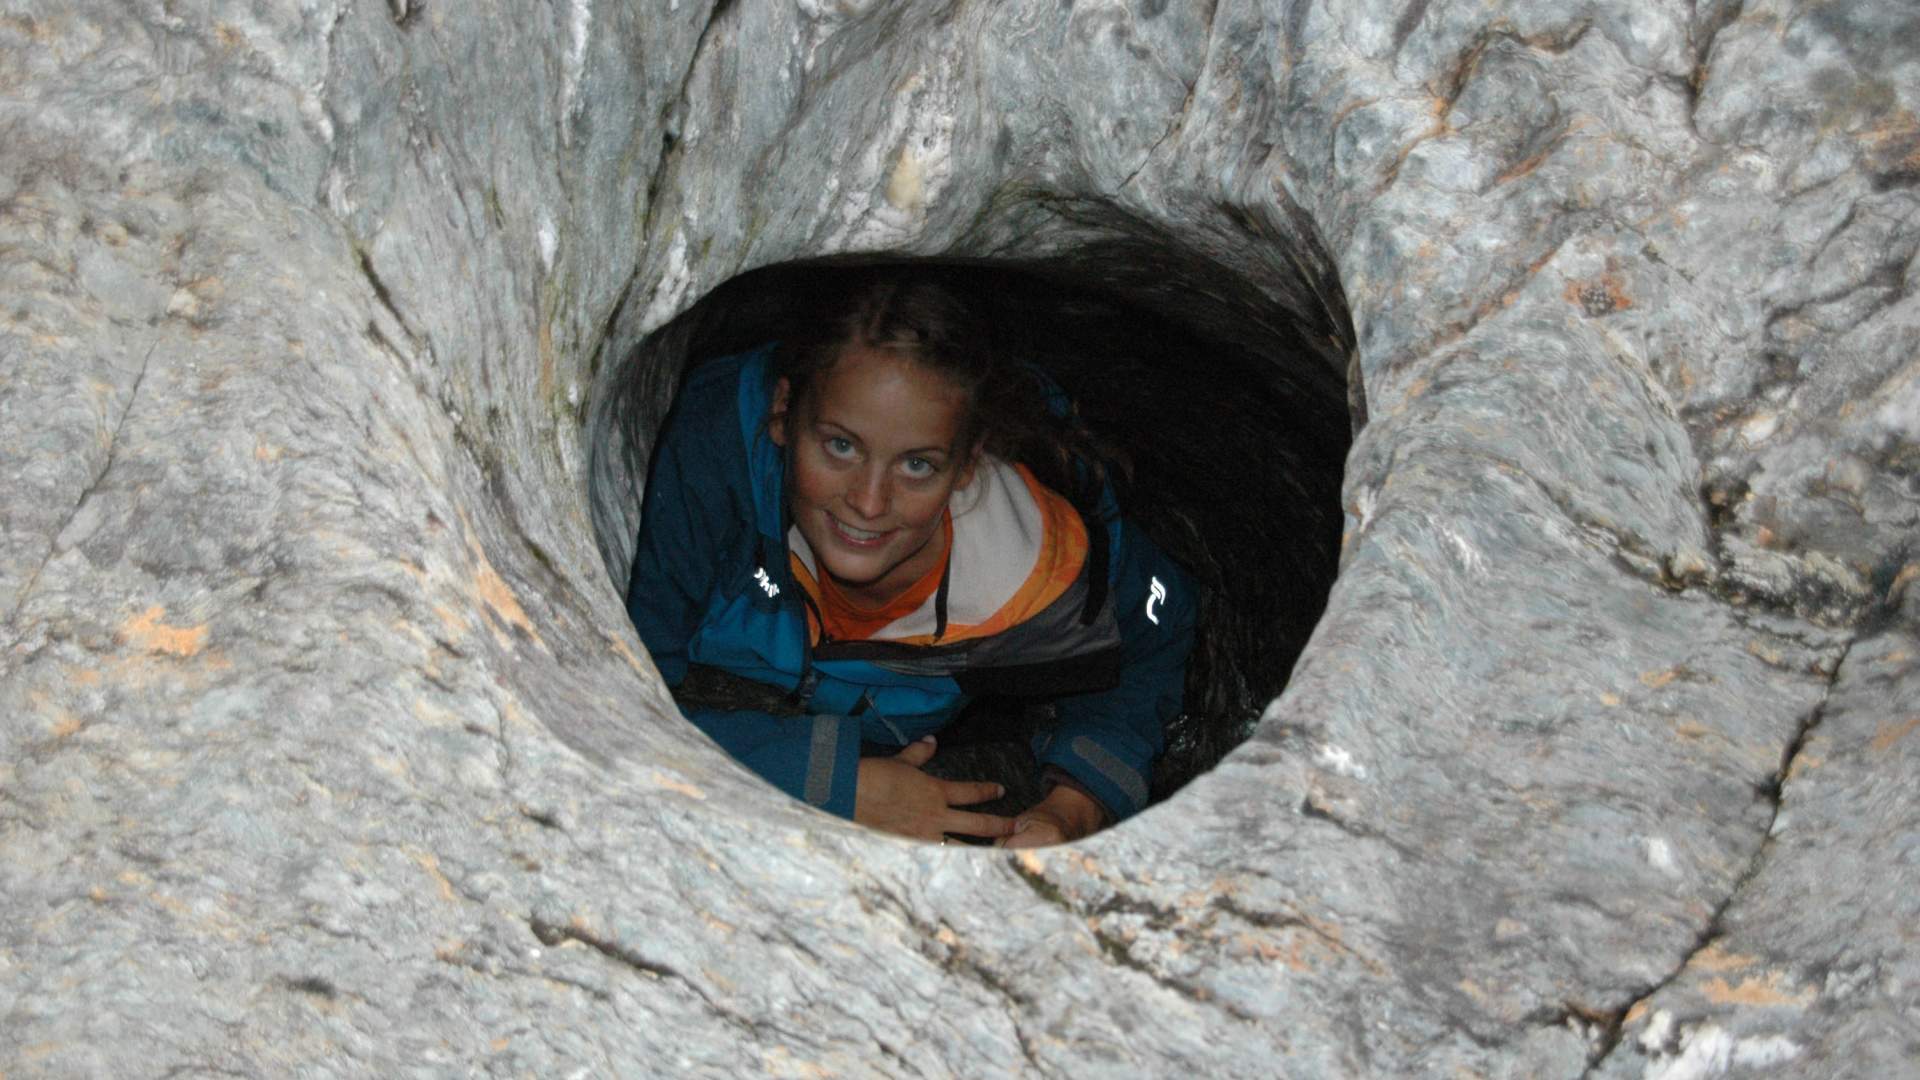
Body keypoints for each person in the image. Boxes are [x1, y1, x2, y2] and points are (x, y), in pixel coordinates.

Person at [625, 269, 1194, 846]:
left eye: (917, 465)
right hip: (725, 699)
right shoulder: (716, 464)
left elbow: (1157, 638)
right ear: (782, 415)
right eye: (840, 446)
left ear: (966, 464)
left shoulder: (1040, 570)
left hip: (901, 741)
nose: (869, 503)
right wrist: (828, 782)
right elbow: (619, 698)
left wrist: (1075, 808)